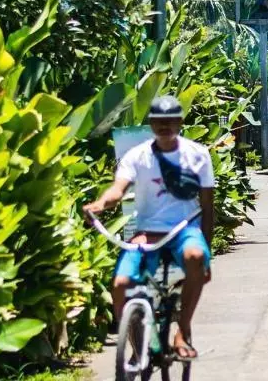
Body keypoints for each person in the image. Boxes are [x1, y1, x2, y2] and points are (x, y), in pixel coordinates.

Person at [83, 95, 214, 361]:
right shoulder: (137, 156)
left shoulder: (198, 155)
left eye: (170, 120)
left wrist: (207, 254)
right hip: (146, 233)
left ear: (180, 122)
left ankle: (183, 331)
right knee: (121, 284)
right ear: (151, 123)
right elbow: (117, 191)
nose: (165, 126)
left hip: (184, 230)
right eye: (159, 121)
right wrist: (100, 204)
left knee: (196, 257)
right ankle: (137, 346)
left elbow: (208, 207)